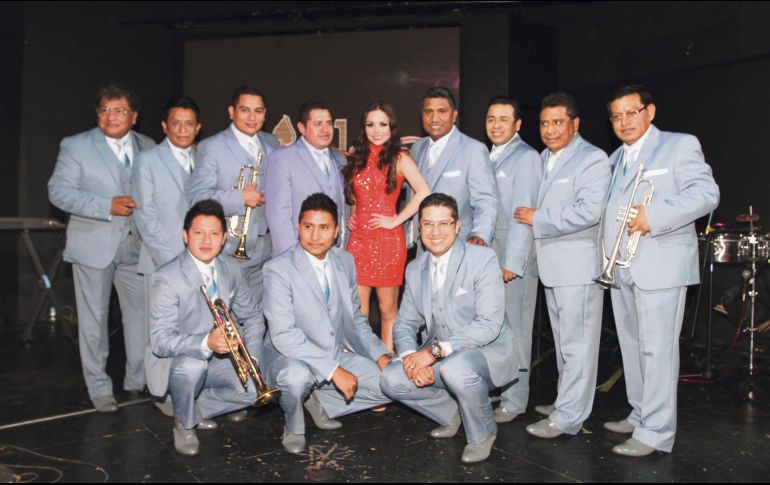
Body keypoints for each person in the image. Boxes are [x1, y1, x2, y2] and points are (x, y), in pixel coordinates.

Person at [600, 85, 719, 457]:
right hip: (622, 268)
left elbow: (706, 194)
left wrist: (654, 217)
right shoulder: (615, 157)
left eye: (631, 112)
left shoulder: (680, 144)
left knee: (658, 351)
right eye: (616, 116)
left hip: (662, 266)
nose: (624, 121)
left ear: (649, 111)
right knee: (634, 349)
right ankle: (640, 414)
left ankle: (656, 432)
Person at [380, 193, 516, 464]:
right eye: (428, 224)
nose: (435, 232)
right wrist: (409, 357)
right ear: (419, 228)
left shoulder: (482, 258)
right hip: (443, 356)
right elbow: (406, 322)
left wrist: (431, 354)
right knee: (390, 379)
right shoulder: (415, 268)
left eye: (443, 224)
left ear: (457, 226)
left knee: (457, 368)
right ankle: (453, 413)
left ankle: (483, 432)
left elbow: (489, 324)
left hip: (485, 354)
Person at [48, 83, 155, 412]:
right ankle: (99, 387)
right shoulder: (76, 146)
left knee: (141, 319)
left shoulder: (149, 146)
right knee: (94, 321)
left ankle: (137, 382)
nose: (111, 116)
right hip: (94, 247)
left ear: (134, 117)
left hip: (137, 249)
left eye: (120, 110)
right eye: (105, 110)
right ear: (98, 114)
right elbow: (58, 192)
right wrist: (104, 205)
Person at [261, 193, 392, 454]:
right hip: (290, 356)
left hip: (334, 351)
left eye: (324, 228)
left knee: (390, 384)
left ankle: (317, 398)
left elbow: (356, 317)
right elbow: (284, 335)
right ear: (298, 227)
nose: (315, 235)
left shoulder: (345, 261)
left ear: (336, 231)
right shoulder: (277, 269)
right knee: (296, 378)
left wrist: (380, 354)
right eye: (308, 227)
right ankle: (294, 423)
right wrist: (333, 371)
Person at [513, 92, 610, 439]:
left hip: (578, 268)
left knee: (577, 344)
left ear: (575, 123)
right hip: (553, 268)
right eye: (544, 123)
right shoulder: (544, 157)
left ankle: (569, 417)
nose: (550, 130)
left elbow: (589, 211)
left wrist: (540, 218)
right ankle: (565, 401)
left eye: (558, 122)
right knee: (564, 342)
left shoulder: (592, 159)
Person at [150, 199, 266, 456]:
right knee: (194, 365)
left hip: (220, 358)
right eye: (198, 233)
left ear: (224, 238)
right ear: (185, 235)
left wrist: (252, 358)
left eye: (214, 234)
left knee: (253, 392)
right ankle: (184, 422)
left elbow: (254, 316)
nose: (206, 240)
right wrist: (206, 343)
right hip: (179, 361)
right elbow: (160, 341)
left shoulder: (232, 268)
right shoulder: (166, 277)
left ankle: (194, 406)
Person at [132, 96, 201, 412]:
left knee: (193, 332)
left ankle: (190, 395)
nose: (183, 129)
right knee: (160, 333)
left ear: (198, 127)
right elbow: (144, 215)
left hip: (200, 263)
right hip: (162, 262)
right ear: (165, 126)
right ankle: (160, 394)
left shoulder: (203, 158)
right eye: (176, 122)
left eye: (189, 123)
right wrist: (174, 260)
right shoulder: (147, 160)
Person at [343, 102, 431, 352]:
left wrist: (395, 219)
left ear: (391, 128)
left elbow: (424, 192)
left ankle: (387, 369)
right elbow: (355, 196)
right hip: (358, 241)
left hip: (387, 242)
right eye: (370, 124)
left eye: (382, 124)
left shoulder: (400, 157)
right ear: (364, 128)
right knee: (358, 313)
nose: (376, 130)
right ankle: (364, 366)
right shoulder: (356, 156)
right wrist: (353, 215)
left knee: (387, 311)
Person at [187, 86, 280, 302]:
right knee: (227, 317)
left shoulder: (272, 143)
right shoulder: (211, 146)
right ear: (231, 111)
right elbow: (197, 198)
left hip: (266, 251)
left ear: (265, 114)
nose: (252, 117)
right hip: (228, 251)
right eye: (244, 110)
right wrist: (240, 198)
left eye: (258, 111)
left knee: (257, 317)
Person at [484, 96, 543, 423]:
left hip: (512, 263)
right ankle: (500, 386)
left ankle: (516, 398)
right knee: (494, 329)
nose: (496, 125)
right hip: (489, 261)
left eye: (504, 119)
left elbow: (523, 213)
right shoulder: (488, 155)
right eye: (491, 118)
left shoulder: (526, 157)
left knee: (516, 331)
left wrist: (513, 263)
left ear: (517, 124)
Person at [405, 86, 497, 251]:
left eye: (442, 111)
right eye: (428, 112)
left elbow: (485, 200)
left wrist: (481, 235)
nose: (434, 118)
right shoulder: (417, 148)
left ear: (454, 115)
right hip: (421, 247)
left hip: (459, 245)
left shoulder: (473, 149)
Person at [265, 100, 348, 256]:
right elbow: (278, 217)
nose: (325, 129)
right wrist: (291, 259)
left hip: (334, 255)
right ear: (302, 128)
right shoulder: (282, 158)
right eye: (318, 123)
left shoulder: (339, 159)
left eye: (329, 123)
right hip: (297, 257)